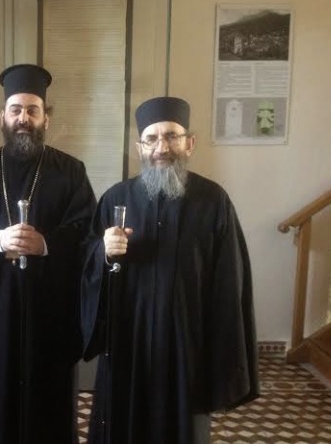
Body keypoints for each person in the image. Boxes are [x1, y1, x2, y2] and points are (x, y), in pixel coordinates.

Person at [80, 96, 259, 444]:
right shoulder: (115, 198)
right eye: (151, 138)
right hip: (128, 343)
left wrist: (220, 351)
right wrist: (102, 252)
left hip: (187, 345)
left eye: (172, 136)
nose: (162, 147)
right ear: (140, 148)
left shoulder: (214, 201)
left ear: (189, 143)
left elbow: (230, 281)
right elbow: (88, 263)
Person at [0, 63, 97, 444]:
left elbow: (87, 235)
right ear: (2, 116)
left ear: (45, 117)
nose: (23, 118)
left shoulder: (71, 172)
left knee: (47, 409)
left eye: (33, 110)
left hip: (49, 315)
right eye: (16, 109)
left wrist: (46, 245)